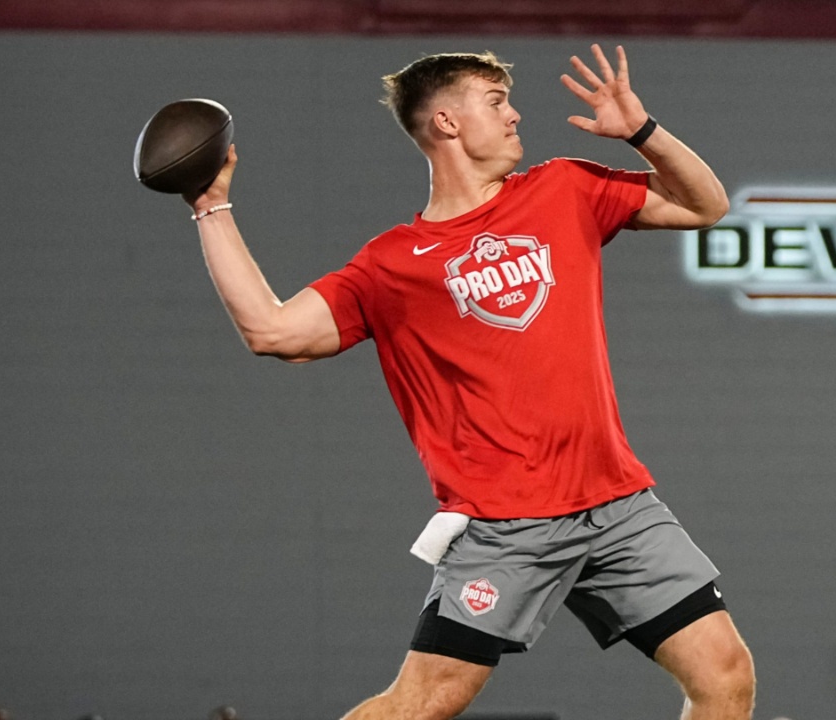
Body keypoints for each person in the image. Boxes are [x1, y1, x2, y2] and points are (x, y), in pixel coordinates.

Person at [183, 44, 755, 720]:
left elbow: (705, 206)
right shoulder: (392, 264)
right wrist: (210, 207)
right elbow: (272, 332)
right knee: (424, 702)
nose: (515, 115)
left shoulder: (563, 188)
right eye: (495, 102)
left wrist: (642, 131)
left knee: (725, 677)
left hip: (617, 505)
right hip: (506, 524)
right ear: (447, 122)